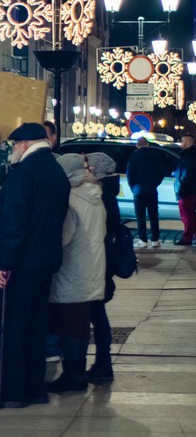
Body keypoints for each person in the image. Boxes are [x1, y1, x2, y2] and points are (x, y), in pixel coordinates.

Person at [0, 122, 70, 409]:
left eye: (15, 145)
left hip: (20, 264)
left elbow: (14, 222)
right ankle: (35, 388)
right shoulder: (56, 171)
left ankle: (11, 391)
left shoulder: (24, 173)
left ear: (24, 144)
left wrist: (4, 264)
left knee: (13, 328)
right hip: (45, 262)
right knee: (36, 327)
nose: (13, 150)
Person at [46, 154, 106, 394]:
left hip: (72, 271)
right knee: (80, 326)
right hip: (91, 269)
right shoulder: (94, 194)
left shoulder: (71, 198)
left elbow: (63, 237)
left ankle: (73, 376)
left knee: (70, 326)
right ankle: (77, 373)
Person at [86, 152, 121, 382]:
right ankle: (103, 363)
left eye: (89, 166)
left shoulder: (103, 195)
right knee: (97, 313)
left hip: (99, 261)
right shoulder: (107, 193)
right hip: (102, 261)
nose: (86, 170)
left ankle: (104, 364)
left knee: (96, 313)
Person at [126, 136, 163, 249]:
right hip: (151, 189)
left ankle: (143, 240)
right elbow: (161, 172)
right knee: (153, 215)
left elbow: (129, 173)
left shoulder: (133, 156)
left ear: (137, 145)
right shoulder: (155, 155)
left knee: (140, 216)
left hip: (138, 190)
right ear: (147, 144)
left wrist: (133, 187)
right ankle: (155, 239)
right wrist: (155, 184)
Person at [174, 134, 196, 246]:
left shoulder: (189, 155)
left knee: (187, 216)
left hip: (187, 191)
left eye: (182, 141)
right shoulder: (190, 154)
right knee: (190, 215)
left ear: (187, 142)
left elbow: (187, 173)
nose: (181, 143)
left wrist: (181, 185)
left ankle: (187, 238)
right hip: (190, 190)